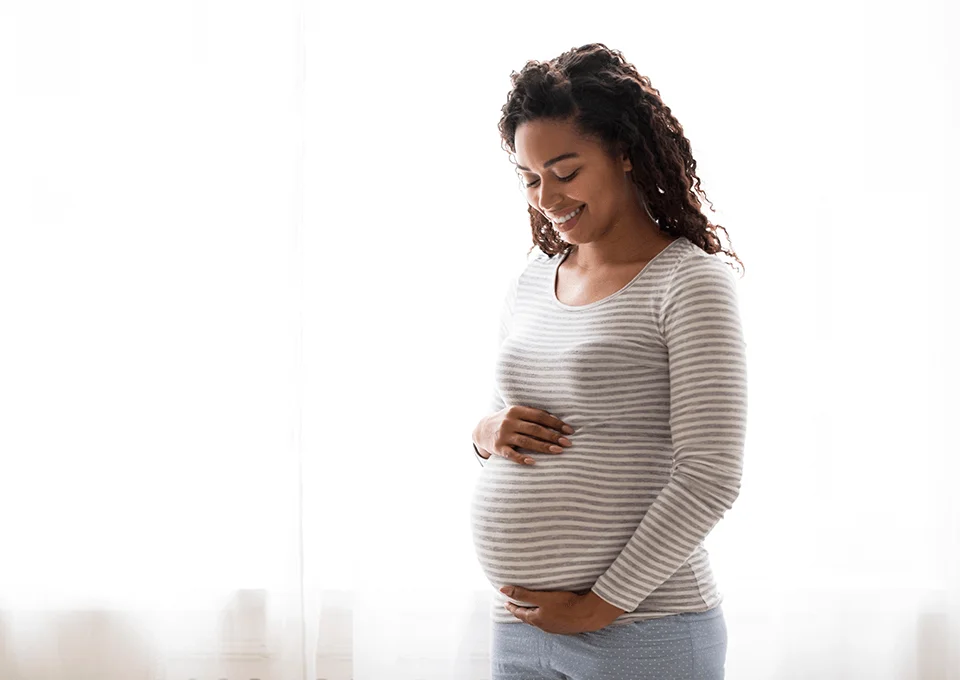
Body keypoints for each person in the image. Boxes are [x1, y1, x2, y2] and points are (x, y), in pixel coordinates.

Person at [468, 43, 748, 680]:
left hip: (644, 630)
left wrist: (601, 605)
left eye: (566, 172)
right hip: (520, 627)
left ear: (624, 152)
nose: (547, 197)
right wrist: (484, 434)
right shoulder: (535, 279)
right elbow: (502, 417)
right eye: (531, 178)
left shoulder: (688, 282)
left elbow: (710, 474)